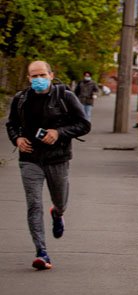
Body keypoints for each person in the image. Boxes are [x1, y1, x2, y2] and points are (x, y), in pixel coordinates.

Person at [6, 61, 91, 270]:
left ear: (51, 75)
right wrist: (17, 139)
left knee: (60, 200)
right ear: (28, 78)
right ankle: (41, 252)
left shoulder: (65, 97)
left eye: (42, 75)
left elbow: (84, 125)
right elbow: (11, 124)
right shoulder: (21, 99)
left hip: (57, 158)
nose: (38, 79)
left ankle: (58, 213)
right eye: (33, 76)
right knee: (34, 204)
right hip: (30, 159)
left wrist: (58, 133)